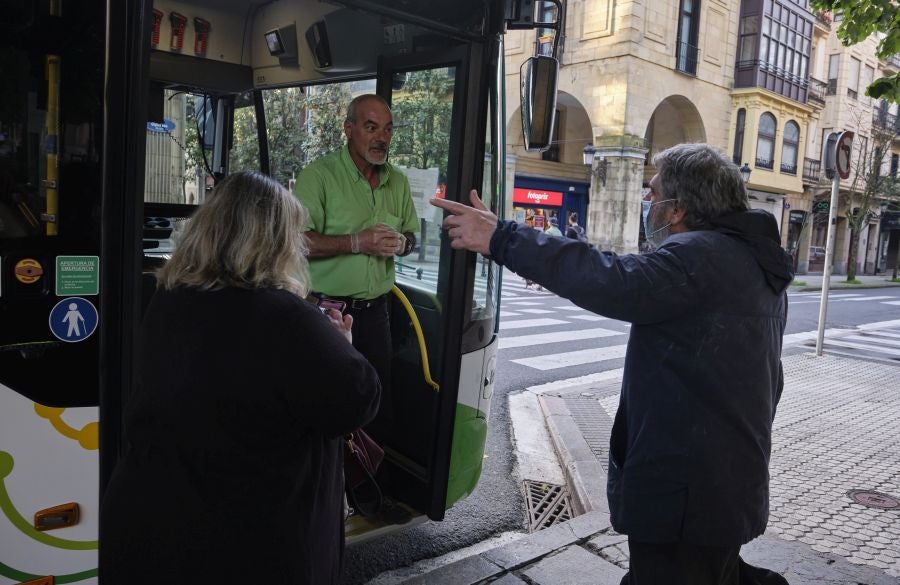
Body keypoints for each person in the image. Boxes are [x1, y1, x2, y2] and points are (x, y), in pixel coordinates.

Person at [432, 143, 793, 585]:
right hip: (726, 480)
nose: (646, 201)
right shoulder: (752, 264)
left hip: (686, 492)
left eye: (652, 191)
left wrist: (502, 237)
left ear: (677, 208)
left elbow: (609, 279)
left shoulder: (697, 259)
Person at [100, 171, 381, 585]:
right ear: (275, 241)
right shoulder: (286, 318)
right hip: (243, 547)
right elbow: (358, 397)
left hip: (152, 526)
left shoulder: (170, 295)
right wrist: (344, 342)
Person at [294, 94, 418, 434]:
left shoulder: (399, 182)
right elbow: (297, 241)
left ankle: (371, 483)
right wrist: (356, 242)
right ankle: (332, 482)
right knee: (327, 403)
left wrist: (402, 243)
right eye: (371, 127)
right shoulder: (318, 176)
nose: (382, 138)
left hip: (377, 312)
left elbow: (412, 239)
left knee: (377, 405)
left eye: (388, 130)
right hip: (326, 311)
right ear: (349, 130)